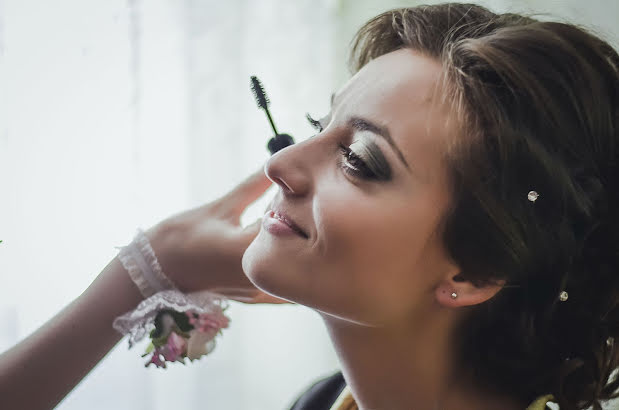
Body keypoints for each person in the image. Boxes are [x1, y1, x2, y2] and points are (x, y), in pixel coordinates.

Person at [1, 2, 618, 409]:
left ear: (473, 273)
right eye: (318, 124)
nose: (279, 164)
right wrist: (146, 267)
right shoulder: (321, 401)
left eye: (359, 160)